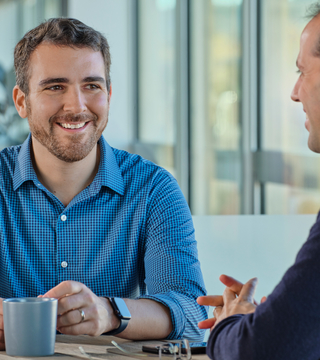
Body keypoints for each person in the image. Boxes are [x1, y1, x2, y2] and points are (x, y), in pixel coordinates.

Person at [0, 18, 207, 350]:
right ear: (21, 101)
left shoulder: (153, 189)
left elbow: (192, 313)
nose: (77, 106)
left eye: (92, 86)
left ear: (108, 95)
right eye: (55, 86)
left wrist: (110, 313)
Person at [197, 3, 320, 359]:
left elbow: (260, 349)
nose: (295, 92)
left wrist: (230, 327)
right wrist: (267, 318)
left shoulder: (151, 185)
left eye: (303, 71)